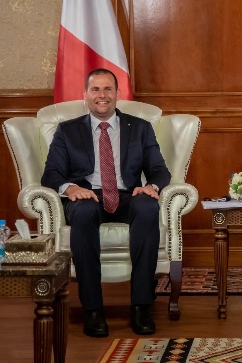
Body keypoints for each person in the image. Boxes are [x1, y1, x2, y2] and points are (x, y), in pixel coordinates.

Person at [41, 68, 170, 338]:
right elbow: (51, 173)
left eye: (108, 89)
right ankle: (93, 310)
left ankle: (141, 307)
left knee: (147, 207)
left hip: (127, 195)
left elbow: (159, 169)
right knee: (83, 212)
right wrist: (71, 188)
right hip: (87, 196)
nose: (102, 95)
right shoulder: (67, 130)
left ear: (118, 93)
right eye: (96, 89)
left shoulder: (140, 128)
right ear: (85, 94)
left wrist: (151, 187)